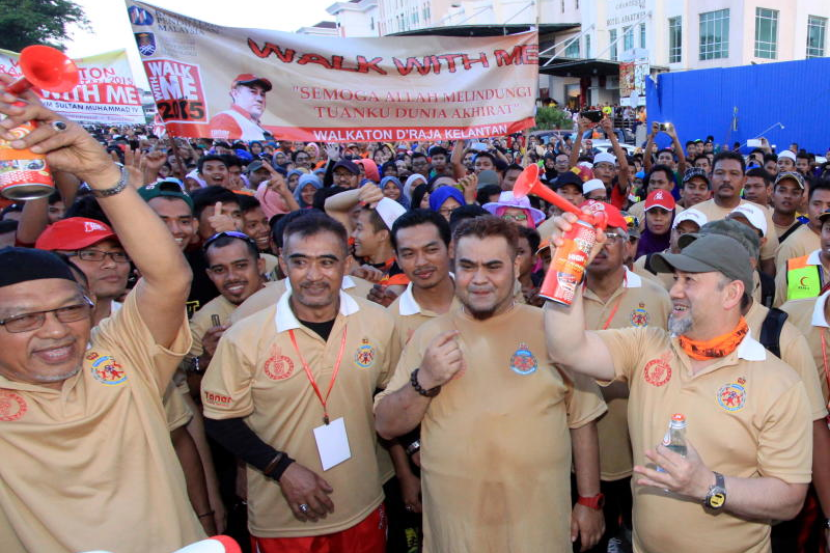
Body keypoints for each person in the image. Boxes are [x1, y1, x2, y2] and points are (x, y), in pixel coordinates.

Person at [0, 84, 202, 552]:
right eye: (24, 320)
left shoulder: (120, 359)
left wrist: (101, 173)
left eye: (70, 309)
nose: (55, 330)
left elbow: (169, 277)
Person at [544, 214, 813, 553]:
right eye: (675, 278)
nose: (674, 291)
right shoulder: (646, 345)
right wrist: (567, 265)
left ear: (731, 293)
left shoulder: (778, 383)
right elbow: (566, 348)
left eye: (690, 280)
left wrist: (708, 485)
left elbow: (789, 497)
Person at [374, 216, 607, 553]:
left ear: (516, 266)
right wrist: (424, 380)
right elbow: (386, 425)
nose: (479, 279)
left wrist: (589, 501)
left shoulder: (553, 329)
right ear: (454, 266)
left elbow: (583, 420)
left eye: (493, 266)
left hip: (537, 529)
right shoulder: (429, 336)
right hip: (456, 533)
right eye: (468, 266)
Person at [202, 214, 400, 552]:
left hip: (363, 503)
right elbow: (220, 419)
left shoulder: (378, 322)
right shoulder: (244, 336)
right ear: (282, 264)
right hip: (285, 519)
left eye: (327, 262)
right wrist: (281, 469)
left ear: (346, 264)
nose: (313, 275)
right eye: (300, 262)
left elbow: (390, 395)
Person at [579, 201, 672, 553]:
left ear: (629, 245)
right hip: (581, 457)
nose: (600, 245)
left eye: (611, 236)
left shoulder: (656, 296)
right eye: (591, 237)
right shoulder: (561, 302)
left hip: (643, 454)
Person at [693, 151, 779, 276]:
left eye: (734, 173)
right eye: (720, 173)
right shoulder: (694, 213)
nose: (726, 179)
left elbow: (768, 261)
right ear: (711, 178)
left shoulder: (761, 213)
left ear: (744, 180)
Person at [34, 217, 131, 325]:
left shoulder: (140, 321)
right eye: (90, 254)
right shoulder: (29, 329)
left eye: (118, 254)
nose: (111, 264)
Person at [775, 177, 830, 271]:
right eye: (817, 204)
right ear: (807, 206)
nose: (822, 210)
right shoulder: (792, 246)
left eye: (829, 205)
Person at [208, 74, 272, 140]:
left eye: (262, 94)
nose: (260, 99)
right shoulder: (225, 119)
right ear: (235, 94)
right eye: (253, 91)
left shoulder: (257, 126)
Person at [635, 190, 675, 260]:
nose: (658, 218)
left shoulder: (681, 247)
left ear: (673, 214)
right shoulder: (634, 246)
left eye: (664, 212)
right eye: (652, 212)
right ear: (645, 214)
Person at [771, 171, 807, 242]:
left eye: (795, 192)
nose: (788, 196)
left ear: (802, 199)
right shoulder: (759, 223)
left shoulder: (806, 231)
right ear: (773, 196)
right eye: (782, 191)